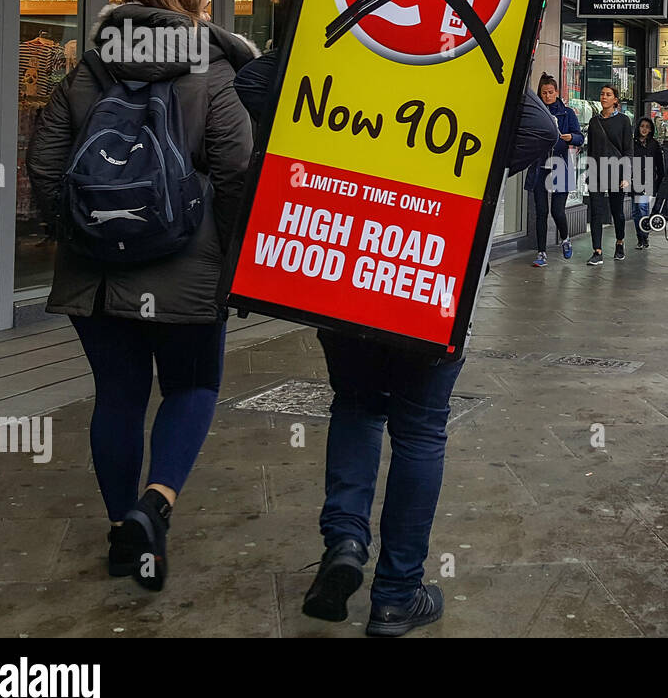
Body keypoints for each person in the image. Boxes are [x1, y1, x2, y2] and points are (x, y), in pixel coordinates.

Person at [231, 53, 554, 637]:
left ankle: (346, 542)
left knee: (355, 406)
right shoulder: (478, 63)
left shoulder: (352, 47)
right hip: (430, 276)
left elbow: (252, 81)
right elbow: (538, 130)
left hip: (348, 268)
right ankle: (396, 594)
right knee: (421, 429)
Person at [25, 0, 255, 592]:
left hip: (95, 273)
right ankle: (154, 504)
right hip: (185, 267)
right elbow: (237, 166)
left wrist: (74, 232)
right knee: (193, 385)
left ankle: (121, 533)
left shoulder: (87, 67)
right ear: (192, 6)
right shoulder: (214, 70)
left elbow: (44, 164)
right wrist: (227, 250)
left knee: (118, 396)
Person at [526, 73, 582, 267]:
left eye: (550, 92)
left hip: (560, 167)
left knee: (558, 211)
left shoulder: (567, 113)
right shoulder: (536, 112)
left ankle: (565, 239)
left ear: (557, 92)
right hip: (540, 166)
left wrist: (570, 139)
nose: (547, 96)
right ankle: (541, 253)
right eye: (544, 93)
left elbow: (579, 137)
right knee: (541, 212)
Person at [585, 84, 633, 266]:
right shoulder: (593, 121)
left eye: (608, 95)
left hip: (617, 170)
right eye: (602, 94)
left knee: (617, 212)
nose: (604, 97)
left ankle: (619, 242)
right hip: (597, 170)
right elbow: (590, 149)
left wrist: (626, 176)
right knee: (596, 212)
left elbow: (628, 150)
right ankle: (597, 251)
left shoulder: (623, 121)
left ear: (615, 100)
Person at [631, 115, 664, 248]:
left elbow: (660, 164)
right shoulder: (632, 143)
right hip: (634, 179)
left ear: (651, 130)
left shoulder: (654, 144)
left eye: (647, 127)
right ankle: (640, 236)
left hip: (648, 178)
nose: (644, 129)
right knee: (635, 211)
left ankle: (644, 237)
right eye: (642, 126)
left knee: (642, 207)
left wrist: (661, 180)